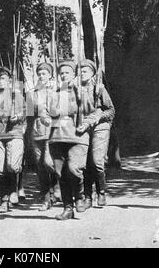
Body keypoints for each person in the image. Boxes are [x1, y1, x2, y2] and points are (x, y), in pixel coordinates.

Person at [47, 61, 92, 220]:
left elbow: (93, 112)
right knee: (61, 174)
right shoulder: (55, 93)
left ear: (74, 74)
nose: (64, 75)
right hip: (57, 136)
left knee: (74, 169)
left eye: (67, 72)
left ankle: (79, 197)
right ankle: (68, 208)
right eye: (62, 73)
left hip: (77, 136)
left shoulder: (82, 91)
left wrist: (83, 101)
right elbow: (47, 113)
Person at [0, 66, 26, 213]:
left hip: (14, 132)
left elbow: (25, 112)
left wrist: (18, 116)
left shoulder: (17, 95)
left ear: (9, 80)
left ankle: (15, 189)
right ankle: (4, 200)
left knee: (13, 165)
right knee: (0, 169)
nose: (0, 81)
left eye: (3, 78)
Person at [81, 60, 115, 209]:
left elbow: (111, 110)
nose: (82, 74)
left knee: (96, 161)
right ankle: (87, 196)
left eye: (85, 71)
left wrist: (98, 117)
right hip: (83, 127)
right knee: (85, 163)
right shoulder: (75, 89)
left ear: (92, 73)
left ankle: (101, 191)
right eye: (80, 71)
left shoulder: (99, 89)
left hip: (100, 127)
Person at [26, 62, 58, 211]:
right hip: (37, 132)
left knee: (50, 163)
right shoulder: (33, 93)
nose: (41, 76)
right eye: (39, 73)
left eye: (44, 73)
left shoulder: (56, 90)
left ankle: (56, 187)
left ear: (50, 75)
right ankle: (46, 198)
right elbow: (29, 114)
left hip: (52, 132)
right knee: (40, 166)